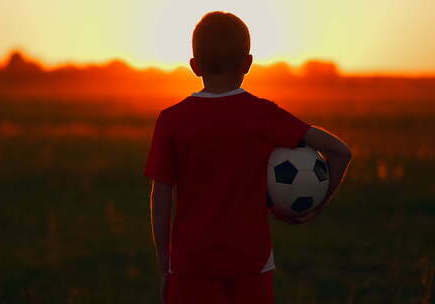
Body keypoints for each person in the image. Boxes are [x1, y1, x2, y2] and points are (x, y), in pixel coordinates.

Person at [143, 11, 352, 304]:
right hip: (251, 266)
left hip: (191, 268)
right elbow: (341, 152)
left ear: (194, 66)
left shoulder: (171, 121)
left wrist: (165, 267)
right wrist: (317, 204)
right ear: (248, 63)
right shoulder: (264, 115)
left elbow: (161, 198)